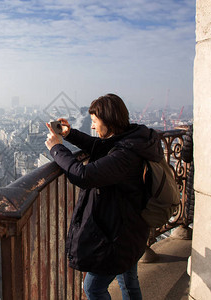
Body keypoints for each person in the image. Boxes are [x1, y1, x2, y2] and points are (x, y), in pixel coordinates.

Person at [45, 94, 164, 299]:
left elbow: (84, 175)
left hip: (118, 235)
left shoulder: (125, 155)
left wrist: (56, 148)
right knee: (128, 282)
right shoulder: (132, 139)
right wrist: (70, 134)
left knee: (93, 288)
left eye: (94, 122)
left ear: (109, 122)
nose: (92, 127)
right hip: (131, 226)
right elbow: (98, 145)